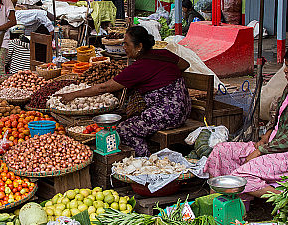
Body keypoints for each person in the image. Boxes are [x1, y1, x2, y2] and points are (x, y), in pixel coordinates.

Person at [205, 44, 288, 198]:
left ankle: (287, 199)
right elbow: (277, 118)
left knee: (241, 178)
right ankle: (215, 200)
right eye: (285, 66)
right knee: (220, 152)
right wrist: (267, 134)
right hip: (271, 146)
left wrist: (261, 150)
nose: (285, 71)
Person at [60, 25, 191, 155]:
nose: (124, 48)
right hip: (185, 109)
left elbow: (103, 87)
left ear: (139, 46)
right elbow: (185, 64)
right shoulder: (164, 54)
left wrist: (73, 95)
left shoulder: (139, 67)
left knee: (123, 129)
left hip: (170, 114)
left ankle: (145, 159)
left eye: (126, 44)